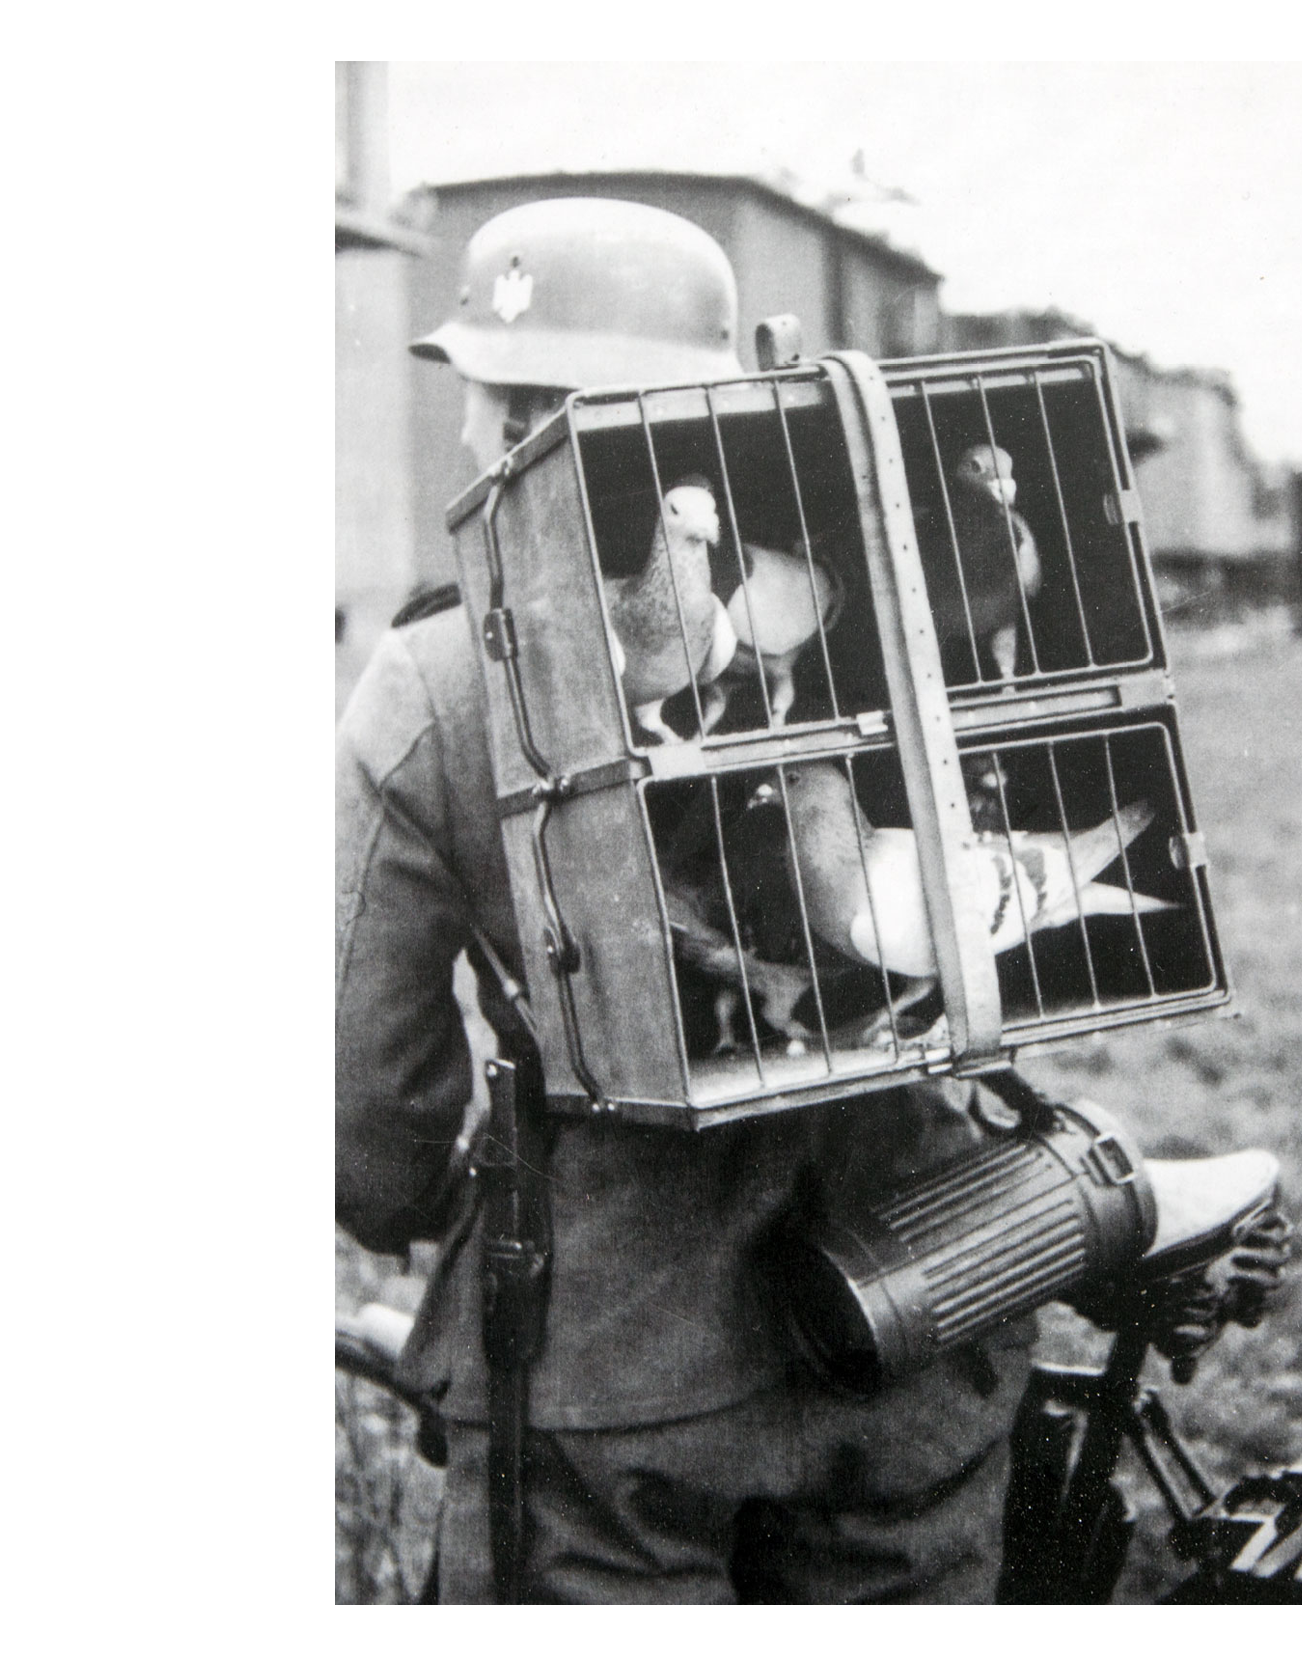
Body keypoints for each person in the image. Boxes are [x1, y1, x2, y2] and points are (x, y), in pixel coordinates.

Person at [336, 198, 1037, 1604]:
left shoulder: (436, 678)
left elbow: (364, 1066)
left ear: (512, 418)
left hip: (610, 1357)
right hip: (916, 1291)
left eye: (477, 398)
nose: (467, 435)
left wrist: (397, 1197)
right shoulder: (890, 611)